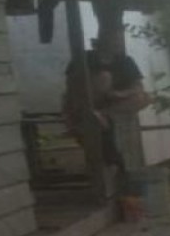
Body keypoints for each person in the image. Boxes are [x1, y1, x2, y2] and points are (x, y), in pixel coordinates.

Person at [62, 31, 150, 177]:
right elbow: (70, 87)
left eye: (116, 40)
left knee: (144, 97)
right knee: (104, 78)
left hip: (113, 104)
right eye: (108, 40)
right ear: (97, 42)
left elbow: (138, 87)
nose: (113, 44)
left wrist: (120, 94)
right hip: (86, 101)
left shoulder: (126, 61)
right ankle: (95, 115)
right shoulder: (85, 58)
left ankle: (102, 115)